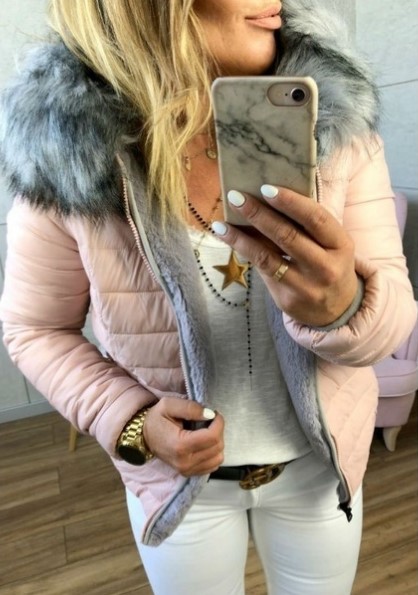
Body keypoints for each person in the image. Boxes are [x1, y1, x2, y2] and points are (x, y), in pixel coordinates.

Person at [0, 1, 416, 593]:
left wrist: (344, 309)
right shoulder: (66, 152)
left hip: (320, 473)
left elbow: (393, 311)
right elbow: (35, 328)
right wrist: (134, 421)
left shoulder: (336, 122)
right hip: (177, 485)